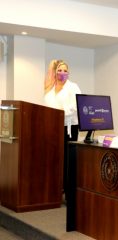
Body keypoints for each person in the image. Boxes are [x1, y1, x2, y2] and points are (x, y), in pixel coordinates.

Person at [44, 59, 81, 190]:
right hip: (53, 127)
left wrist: (60, 114)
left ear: (68, 73)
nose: (62, 73)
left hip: (69, 127)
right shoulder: (50, 89)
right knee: (54, 157)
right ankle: (56, 186)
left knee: (67, 158)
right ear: (55, 72)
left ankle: (67, 188)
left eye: (65, 70)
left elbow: (77, 105)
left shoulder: (73, 87)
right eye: (60, 70)